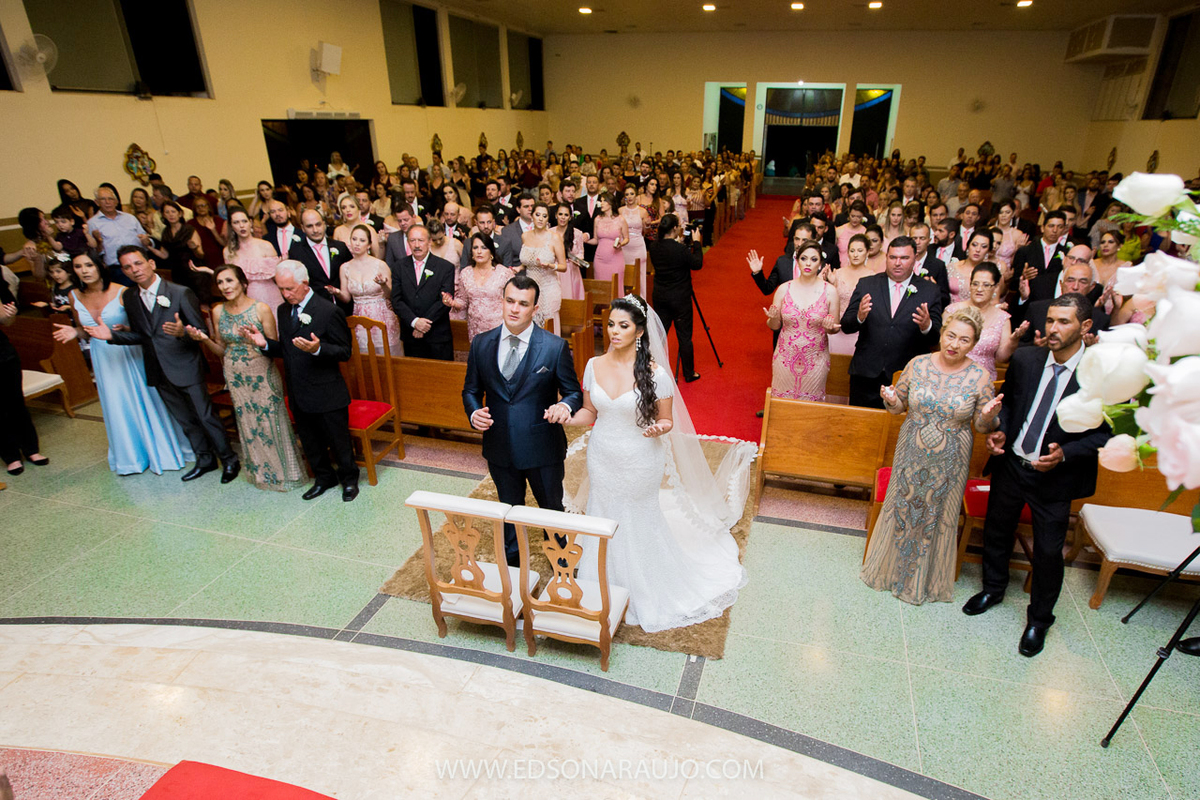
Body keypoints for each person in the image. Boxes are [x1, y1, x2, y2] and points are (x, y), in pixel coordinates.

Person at [563, 295, 754, 631]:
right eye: (611, 325)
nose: (614, 332)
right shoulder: (594, 365)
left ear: (639, 331)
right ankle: (600, 586)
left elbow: (667, 420)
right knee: (603, 511)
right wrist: (565, 414)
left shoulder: (656, 374)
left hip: (640, 460)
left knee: (635, 519)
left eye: (623, 326)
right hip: (603, 457)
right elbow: (590, 413)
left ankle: (640, 588)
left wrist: (657, 428)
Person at [963, 294, 1111, 657]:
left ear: (1085, 327)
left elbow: (1108, 431)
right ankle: (993, 588)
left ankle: (1039, 620)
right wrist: (1001, 432)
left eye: (1064, 322)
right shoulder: (1028, 358)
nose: (1053, 329)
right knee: (997, 530)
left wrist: (1066, 454)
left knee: (1047, 552)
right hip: (1013, 465)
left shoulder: (1099, 374)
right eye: (1050, 320)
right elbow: (1012, 403)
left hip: (1055, 478)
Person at [861, 306, 1002, 604]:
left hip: (951, 458)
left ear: (974, 344)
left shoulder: (980, 377)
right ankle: (887, 572)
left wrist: (990, 416)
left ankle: (924, 583)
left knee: (938, 516)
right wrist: (890, 399)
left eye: (964, 340)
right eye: (950, 335)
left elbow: (980, 425)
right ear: (941, 333)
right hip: (911, 449)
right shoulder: (917, 364)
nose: (954, 344)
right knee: (902, 507)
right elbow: (899, 406)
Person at [82, 246, 237, 482]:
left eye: (138, 263)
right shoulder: (131, 297)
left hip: (185, 365)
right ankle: (204, 460)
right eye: (127, 267)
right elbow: (142, 336)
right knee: (184, 420)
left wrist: (182, 331)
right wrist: (111, 336)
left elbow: (201, 332)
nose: (134, 270)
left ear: (151, 263)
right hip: (156, 368)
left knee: (206, 417)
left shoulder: (180, 292)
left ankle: (229, 460)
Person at [462, 275, 584, 566]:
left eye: (523, 304)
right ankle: (514, 574)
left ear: (535, 307)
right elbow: (470, 389)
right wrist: (473, 412)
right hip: (499, 446)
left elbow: (573, 392)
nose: (514, 309)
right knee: (508, 513)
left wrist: (565, 406)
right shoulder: (481, 343)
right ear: (502, 301)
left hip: (542, 447)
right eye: (510, 301)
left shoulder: (554, 347)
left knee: (550, 509)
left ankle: (561, 567)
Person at [242, 261, 359, 501]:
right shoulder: (284, 311)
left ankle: (349, 480)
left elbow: (345, 352)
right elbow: (287, 349)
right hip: (298, 390)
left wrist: (319, 349)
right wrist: (264, 344)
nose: (285, 294)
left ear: (305, 285)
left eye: (289, 289)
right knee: (310, 441)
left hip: (327, 391)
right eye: (281, 289)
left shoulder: (329, 311)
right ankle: (324, 477)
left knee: (339, 442)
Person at [183, 265, 306, 492]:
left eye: (229, 281)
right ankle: (262, 474)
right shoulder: (218, 310)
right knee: (248, 424)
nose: (225, 287)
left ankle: (287, 474)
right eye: (220, 283)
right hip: (235, 375)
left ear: (242, 282)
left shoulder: (261, 308)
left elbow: (274, 347)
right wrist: (203, 339)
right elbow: (221, 350)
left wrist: (255, 341)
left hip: (262, 373)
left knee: (271, 422)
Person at [840, 236, 943, 408]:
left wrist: (927, 327)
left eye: (904, 258)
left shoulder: (929, 291)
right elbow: (847, 325)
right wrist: (859, 316)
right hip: (866, 375)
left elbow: (934, 339)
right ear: (886, 257)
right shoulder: (867, 284)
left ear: (915, 258)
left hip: (906, 376)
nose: (897, 263)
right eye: (893, 257)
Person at [766, 240, 841, 401]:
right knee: (782, 405)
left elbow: (835, 328)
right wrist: (772, 318)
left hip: (815, 360)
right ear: (797, 261)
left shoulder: (830, 292)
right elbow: (775, 325)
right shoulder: (783, 289)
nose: (808, 263)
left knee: (809, 411)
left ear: (820, 264)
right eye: (804, 258)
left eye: (814, 259)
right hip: (785, 358)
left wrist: (829, 327)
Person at [326, 224, 402, 355]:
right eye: (354, 239)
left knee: (388, 356)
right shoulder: (345, 267)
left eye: (362, 240)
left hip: (382, 315)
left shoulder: (380, 265)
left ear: (368, 245)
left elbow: (391, 295)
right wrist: (337, 292)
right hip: (359, 317)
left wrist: (383, 284)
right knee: (366, 358)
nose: (357, 244)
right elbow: (346, 297)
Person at [646, 214, 703, 382]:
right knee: (684, 335)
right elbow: (697, 263)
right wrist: (697, 242)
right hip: (680, 297)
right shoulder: (680, 250)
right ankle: (689, 372)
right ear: (674, 229)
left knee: (659, 334)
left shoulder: (654, 247)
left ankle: (650, 366)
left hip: (661, 295)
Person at [1, 281, 50, 475]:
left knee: (16, 403)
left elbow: (8, 320)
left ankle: (31, 450)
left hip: (3, 352)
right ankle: (11, 456)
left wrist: (8, 316)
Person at [388, 225, 455, 360]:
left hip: (438, 336)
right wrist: (414, 322)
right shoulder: (398, 267)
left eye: (421, 240)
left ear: (429, 242)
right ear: (408, 243)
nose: (417, 245)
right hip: (411, 335)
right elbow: (396, 300)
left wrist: (422, 325)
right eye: (412, 240)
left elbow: (444, 301)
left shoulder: (445, 267)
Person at [948, 263, 1024, 381]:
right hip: (951, 375)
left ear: (995, 287)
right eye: (975, 284)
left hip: (983, 380)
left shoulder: (1003, 318)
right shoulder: (952, 311)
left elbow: (1001, 358)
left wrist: (1013, 341)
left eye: (986, 285)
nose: (979, 289)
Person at [444, 233, 514, 342]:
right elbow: (462, 301)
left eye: (484, 248)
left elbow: (513, 301)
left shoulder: (504, 273)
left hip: (498, 328)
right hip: (475, 329)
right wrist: (451, 302)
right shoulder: (466, 273)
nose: (479, 251)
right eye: (475, 248)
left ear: (491, 252)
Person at [217, 208, 284, 314]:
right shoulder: (228, 251)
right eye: (236, 222)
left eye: (244, 221)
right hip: (245, 298)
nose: (241, 226)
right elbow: (229, 279)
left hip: (269, 294)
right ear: (232, 227)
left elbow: (279, 278)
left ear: (250, 223)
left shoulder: (265, 245)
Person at [288, 209, 352, 311]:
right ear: (303, 228)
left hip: (344, 308)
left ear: (324, 224)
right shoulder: (296, 252)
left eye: (318, 225)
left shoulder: (340, 247)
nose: (315, 230)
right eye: (309, 226)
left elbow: (351, 274)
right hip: (316, 309)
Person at [519, 202, 567, 332]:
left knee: (548, 326)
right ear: (532, 216)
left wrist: (551, 265)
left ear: (548, 219)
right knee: (531, 325)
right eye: (538, 215)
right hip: (531, 289)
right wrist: (519, 268)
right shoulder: (525, 236)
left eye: (544, 216)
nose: (540, 218)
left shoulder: (555, 238)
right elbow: (529, 260)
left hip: (548, 288)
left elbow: (563, 266)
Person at [826, 233, 876, 356]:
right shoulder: (837, 273)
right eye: (852, 250)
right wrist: (831, 284)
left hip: (859, 330)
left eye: (860, 250)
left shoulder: (873, 277)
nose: (855, 254)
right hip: (836, 329)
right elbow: (829, 302)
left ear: (867, 253)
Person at [87, 186, 146, 285]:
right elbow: (95, 253)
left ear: (116, 201)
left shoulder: (130, 218)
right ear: (97, 202)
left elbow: (144, 239)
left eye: (110, 199)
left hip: (140, 264)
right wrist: (98, 242)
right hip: (117, 269)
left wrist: (147, 241)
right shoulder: (92, 223)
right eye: (103, 199)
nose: (107, 202)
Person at [587, 191, 629, 286]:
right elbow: (596, 240)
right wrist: (585, 240)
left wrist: (621, 244)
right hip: (600, 259)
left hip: (615, 258)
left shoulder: (620, 219)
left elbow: (626, 238)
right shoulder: (597, 219)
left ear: (610, 203)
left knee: (616, 286)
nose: (601, 203)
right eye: (601, 201)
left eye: (604, 201)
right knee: (601, 287)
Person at [946, 229, 995, 305]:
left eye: (984, 246)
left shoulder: (991, 273)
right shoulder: (951, 268)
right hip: (950, 313)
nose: (978, 250)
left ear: (989, 251)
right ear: (968, 246)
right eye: (974, 245)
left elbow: (994, 301)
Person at [552, 203, 586, 301]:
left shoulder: (577, 233)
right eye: (560, 214)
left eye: (566, 215)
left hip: (571, 271)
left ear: (570, 217)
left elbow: (580, 253)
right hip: (554, 271)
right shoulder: (550, 232)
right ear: (556, 215)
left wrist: (577, 260)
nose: (563, 217)